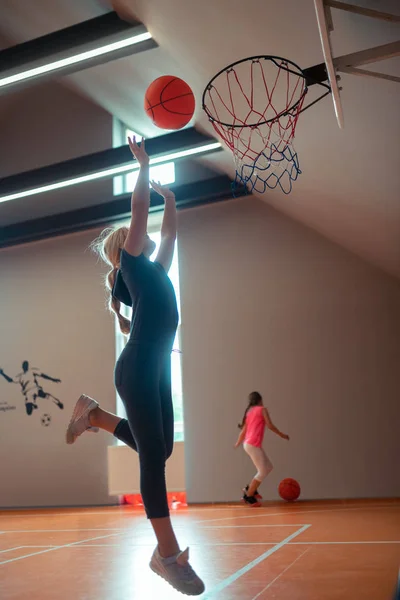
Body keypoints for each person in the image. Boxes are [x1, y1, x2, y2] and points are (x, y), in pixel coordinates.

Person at [65, 137, 205, 596]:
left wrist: (173, 200)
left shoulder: (155, 271)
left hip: (151, 368)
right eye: (134, 233)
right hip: (139, 367)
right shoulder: (131, 265)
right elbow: (141, 212)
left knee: (160, 449)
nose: (142, 234)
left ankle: (95, 415)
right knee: (153, 459)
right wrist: (143, 168)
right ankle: (166, 554)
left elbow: (169, 235)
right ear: (126, 245)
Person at [234, 391, 289, 506]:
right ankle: (248, 496)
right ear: (260, 400)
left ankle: (249, 488)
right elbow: (269, 425)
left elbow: (243, 431)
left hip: (248, 444)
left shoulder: (249, 412)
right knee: (262, 470)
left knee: (268, 467)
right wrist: (281, 434)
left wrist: (238, 442)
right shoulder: (262, 409)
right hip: (252, 444)